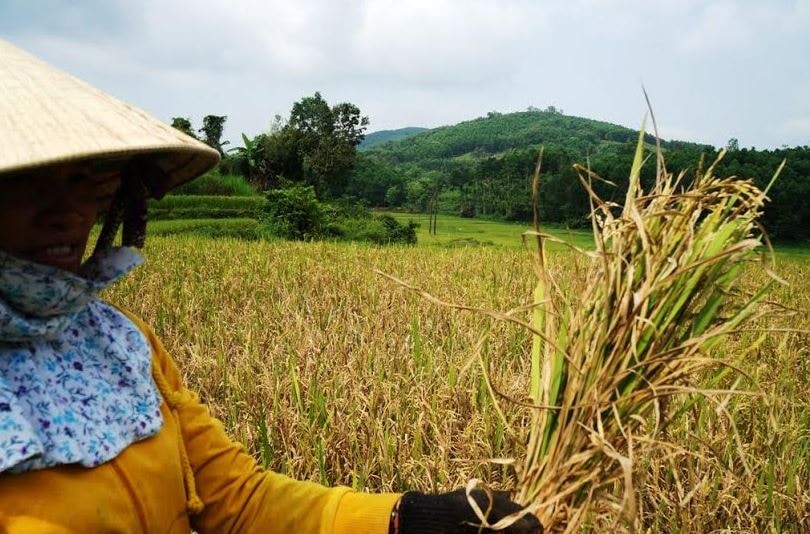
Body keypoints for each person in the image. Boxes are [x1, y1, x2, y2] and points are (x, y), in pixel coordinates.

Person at [0, 39, 541, 533]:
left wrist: (404, 519)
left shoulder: (119, 342)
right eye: (26, 182)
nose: (67, 213)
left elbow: (239, 501)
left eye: (79, 180)